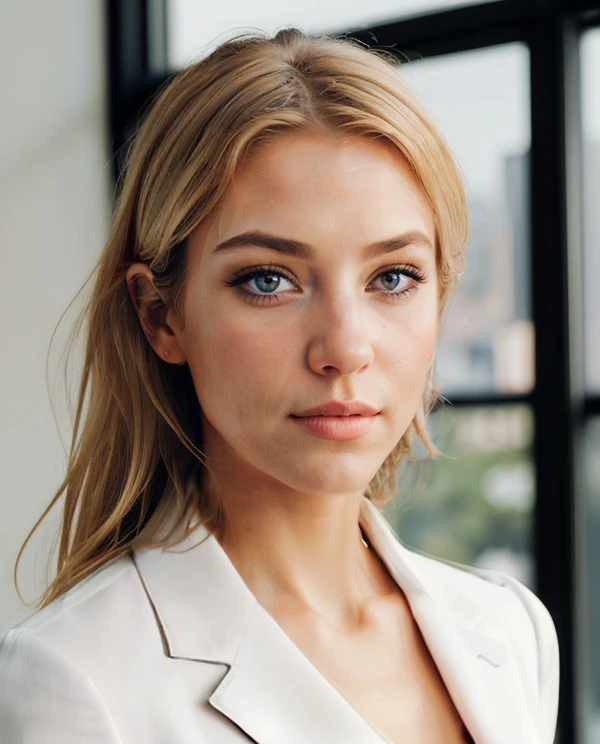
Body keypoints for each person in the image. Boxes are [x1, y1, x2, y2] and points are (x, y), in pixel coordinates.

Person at [0, 29, 558, 744]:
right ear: (159, 314)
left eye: (393, 278)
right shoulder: (75, 682)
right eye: (269, 280)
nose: (345, 349)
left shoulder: (512, 632)